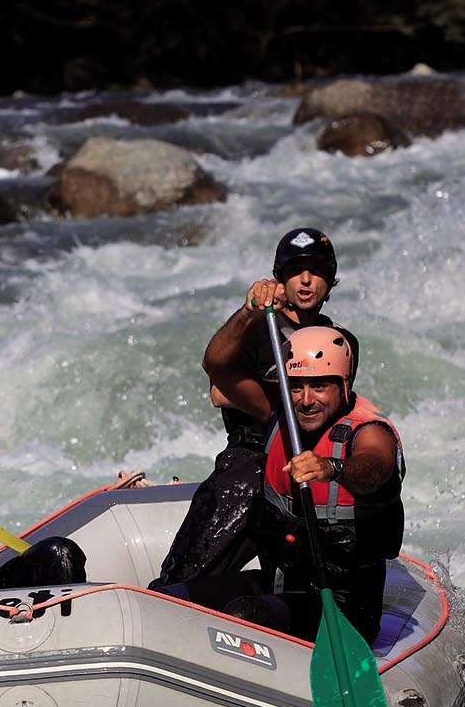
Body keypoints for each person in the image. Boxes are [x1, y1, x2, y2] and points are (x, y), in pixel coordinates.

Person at [151, 227, 359, 589]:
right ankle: (172, 595)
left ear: (330, 278)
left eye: (317, 270)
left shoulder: (340, 341)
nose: (306, 280)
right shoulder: (256, 326)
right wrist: (249, 312)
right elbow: (215, 366)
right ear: (280, 278)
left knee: (303, 581)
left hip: (305, 462)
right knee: (190, 572)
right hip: (250, 461)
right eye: (296, 270)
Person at [174, 324, 403, 644]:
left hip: (343, 609)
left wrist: (332, 468)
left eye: (320, 386)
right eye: (296, 387)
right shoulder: (276, 412)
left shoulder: (369, 432)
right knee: (172, 598)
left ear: (344, 385)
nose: (306, 400)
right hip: (279, 583)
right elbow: (218, 366)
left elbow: (375, 467)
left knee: (246, 616)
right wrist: (249, 312)